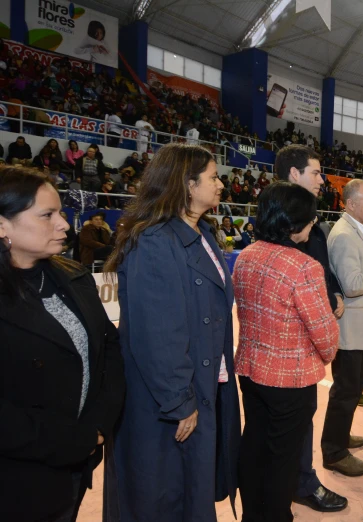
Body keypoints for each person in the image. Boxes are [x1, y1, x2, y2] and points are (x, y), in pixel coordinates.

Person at [103, 144, 241, 521]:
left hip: (200, 387)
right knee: (163, 499)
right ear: (186, 183)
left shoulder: (203, 233)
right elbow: (158, 334)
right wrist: (180, 400)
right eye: (213, 177)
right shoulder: (155, 242)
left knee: (188, 494)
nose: (220, 184)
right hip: (167, 401)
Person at [0, 168, 125, 522]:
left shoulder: (74, 277)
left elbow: (109, 350)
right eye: (47, 215)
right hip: (18, 478)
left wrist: (98, 428)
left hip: (76, 465)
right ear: (2, 226)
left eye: (61, 213)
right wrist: (66, 441)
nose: (65, 225)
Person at [233, 183, 339, 522]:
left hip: (251, 370)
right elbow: (326, 338)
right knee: (283, 460)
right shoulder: (303, 266)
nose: (313, 224)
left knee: (254, 448)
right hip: (290, 381)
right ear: (295, 222)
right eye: (310, 219)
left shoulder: (247, 254)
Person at [272, 145, 347, 513]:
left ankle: (296, 478)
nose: (322, 179)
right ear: (294, 175)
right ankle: (299, 482)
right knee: (292, 421)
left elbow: (321, 261)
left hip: (306, 336)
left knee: (301, 417)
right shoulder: (282, 221)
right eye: (316, 172)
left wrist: (332, 291)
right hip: (289, 342)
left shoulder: (309, 220)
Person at [322, 179, 363, 477]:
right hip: (351, 331)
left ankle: (340, 436)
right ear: (350, 204)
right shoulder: (346, 236)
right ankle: (334, 452)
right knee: (346, 392)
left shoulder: (356, 230)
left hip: (359, 329)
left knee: (350, 389)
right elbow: (353, 284)